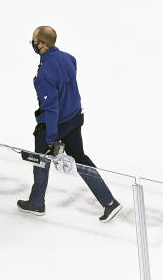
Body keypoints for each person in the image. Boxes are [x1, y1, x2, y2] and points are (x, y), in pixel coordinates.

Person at [17, 26, 121, 222]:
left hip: (56, 123)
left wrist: (50, 138)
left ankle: (37, 203)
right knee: (81, 158)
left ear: (42, 44)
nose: (32, 44)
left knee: (41, 160)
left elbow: (51, 107)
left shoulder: (45, 72)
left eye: (34, 41)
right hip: (74, 118)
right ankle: (109, 201)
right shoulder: (69, 58)